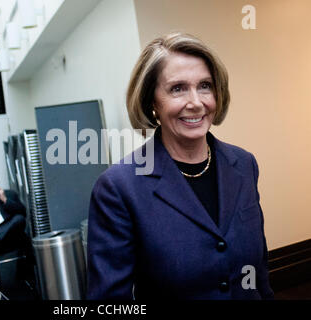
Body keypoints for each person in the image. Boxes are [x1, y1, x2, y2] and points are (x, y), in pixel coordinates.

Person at [86, 32, 274, 300]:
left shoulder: (244, 165)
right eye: (178, 88)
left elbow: (259, 273)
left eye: (205, 86)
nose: (196, 102)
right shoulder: (118, 188)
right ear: (153, 102)